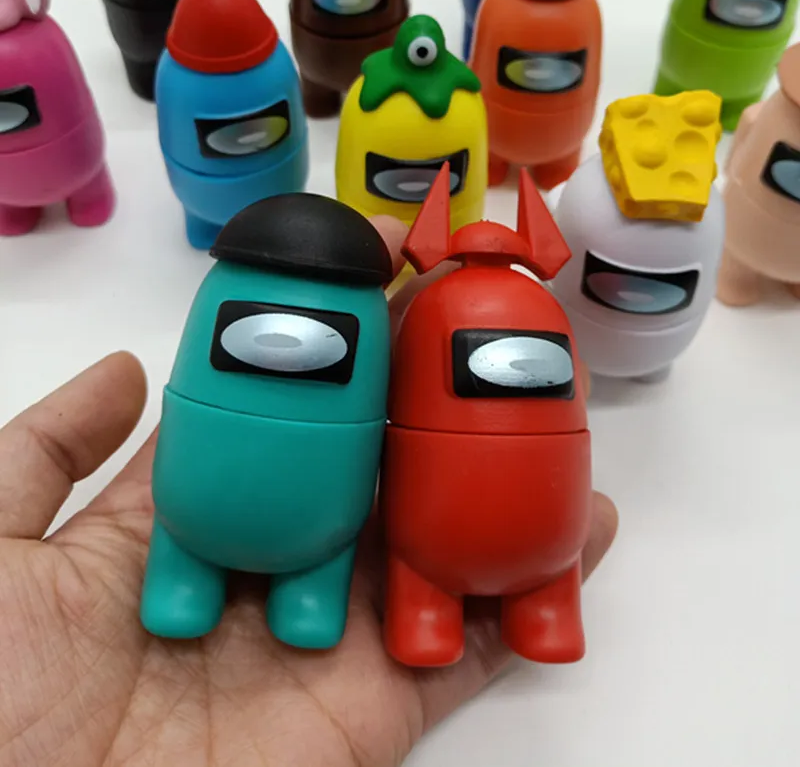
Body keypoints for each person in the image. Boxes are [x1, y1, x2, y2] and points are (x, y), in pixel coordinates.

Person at [0, 216, 617, 766]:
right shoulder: (291, 298)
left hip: (341, 531)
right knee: (237, 553)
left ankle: (424, 606)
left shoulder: (410, 320)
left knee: (344, 554)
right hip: (219, 520)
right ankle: (227, 588)